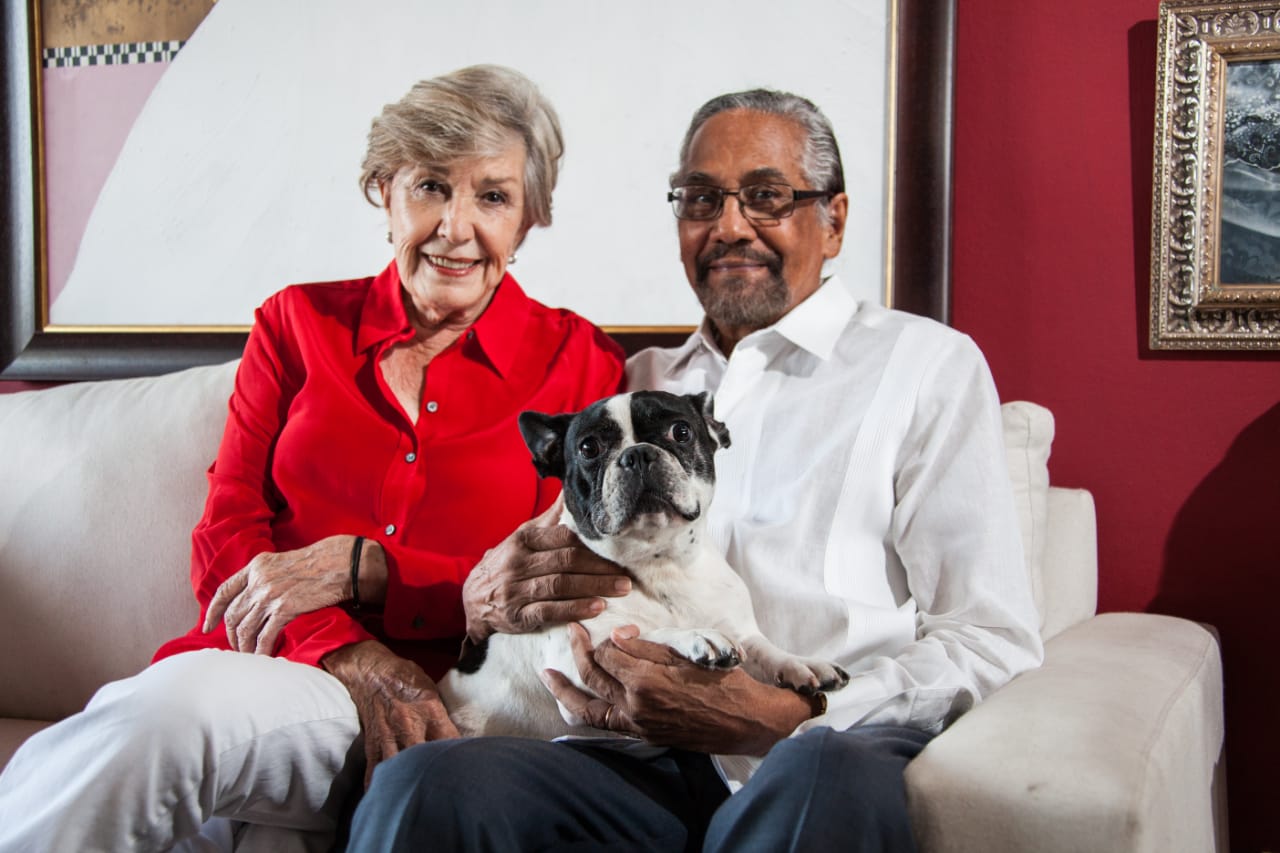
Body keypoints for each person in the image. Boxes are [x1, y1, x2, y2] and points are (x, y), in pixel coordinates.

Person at [346, 88, 1045, 852]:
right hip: (621, 759)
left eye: (767, 197)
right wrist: (484, 592)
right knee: (425, 783)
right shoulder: (629, 386)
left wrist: (785, 715)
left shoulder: (923, 366)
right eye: (701, 198)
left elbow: (988, 637)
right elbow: (530, 567)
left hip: (818, 749)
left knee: (819, 779)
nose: (730, 225)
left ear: (835, 220)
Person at [0, 65, 627, 852]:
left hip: (447, 702)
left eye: (493, 196)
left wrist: (371, 569)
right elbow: (228, 535)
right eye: (431, 186)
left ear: (530, 217)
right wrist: (349, 649)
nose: (456, 227)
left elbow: (553, 575)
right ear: (383, 192)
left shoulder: (577, 364)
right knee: (186, 754)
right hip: (278, 663)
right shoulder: (297, 325)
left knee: (172, 722)